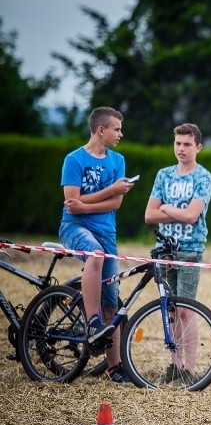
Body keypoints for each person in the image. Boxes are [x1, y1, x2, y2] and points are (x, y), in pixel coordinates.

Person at [59, 106, 134, 383]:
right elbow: (72, 206)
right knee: (96, 255)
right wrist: (110, 191)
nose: (121, 134)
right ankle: (92, 324)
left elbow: (114, 204)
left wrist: (88, 202)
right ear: (101, 130)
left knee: (112, 303)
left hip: (107, 232)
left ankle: (114, 367)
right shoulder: (73, 160)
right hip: (73, 227)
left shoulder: (118, 161)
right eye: (117, 129)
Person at [145, 123, 211, 385]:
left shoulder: (203, 177)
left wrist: (168, 207)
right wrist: (177, 211)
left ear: (198, 147)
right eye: (177, 143)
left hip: (190, 249)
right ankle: (174, 365)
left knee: (186, 309)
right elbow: (149, 214)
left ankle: (189, 368)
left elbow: (192, 215)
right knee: (170, 310)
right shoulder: (164, 175)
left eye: (186, 144)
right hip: (165, 249)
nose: (181, 149)